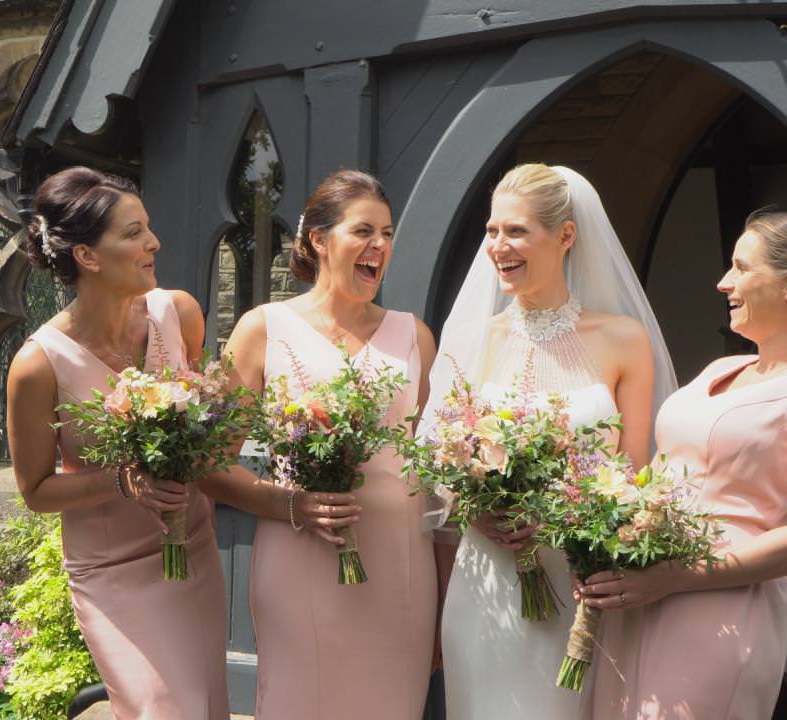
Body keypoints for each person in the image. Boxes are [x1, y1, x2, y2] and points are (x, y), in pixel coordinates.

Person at [429, 163, 677, 719]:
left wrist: (559, 519)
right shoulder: (474, 340)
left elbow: (636, 475)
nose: (498, 246)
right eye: (492, 231)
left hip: (577, 582)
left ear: (565, 236)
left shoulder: (622, 339)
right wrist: (477, 510)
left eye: (515, 231)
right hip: (486, 584)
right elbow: (440, 460)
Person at [205, 169, 438, 718]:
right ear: (318, 239)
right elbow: (210, 465)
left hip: (402, 569)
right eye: (363, 231)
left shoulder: (415, 336)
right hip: (299, 561)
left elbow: (435, 470)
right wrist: (293, 504)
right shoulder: (264, 328)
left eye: (386, 234)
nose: (379, 246)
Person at [6, 166, 229, 717]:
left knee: (204, 707)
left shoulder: (178, 313)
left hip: (192, 547)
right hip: (113, 573)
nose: (153, 242)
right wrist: (123, 481)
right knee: (163, 708)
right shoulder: (37, 364)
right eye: (133, 233)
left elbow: (195, 430)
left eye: (147, 228)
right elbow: (35, 490)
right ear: (87, 255)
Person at [578, 211, 787, 719]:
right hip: (641, 601)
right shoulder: (722, 367)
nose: (724, 282)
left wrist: (678, 576)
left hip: (722, 605)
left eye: (741, 268)